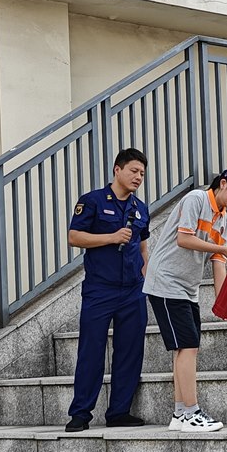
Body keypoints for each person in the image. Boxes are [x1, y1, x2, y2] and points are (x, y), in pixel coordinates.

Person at [143, 166, 227, 432]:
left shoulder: (225, 222)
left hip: (188, 289)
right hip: (166, 282)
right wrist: (223, 249)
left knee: (184, 349)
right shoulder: (196, 199)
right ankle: (192, 413)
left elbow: (218, 263)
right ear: (223, 183)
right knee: (188, 347)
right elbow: (184, 239)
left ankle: (180, 414)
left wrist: (223, 304)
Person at [65, 148, 151, 432]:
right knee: (91, 350)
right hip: (100, 289)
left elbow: (142, 245)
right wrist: (111, 237)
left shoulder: (141, 208)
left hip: (133, 290)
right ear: (117, 170)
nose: (138, 177)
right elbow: (74, 237)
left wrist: (146, 274)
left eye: (142, 173)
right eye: (133, 171)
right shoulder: (92, 201)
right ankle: (80, 413)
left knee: (130, 351)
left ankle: (119, 411)